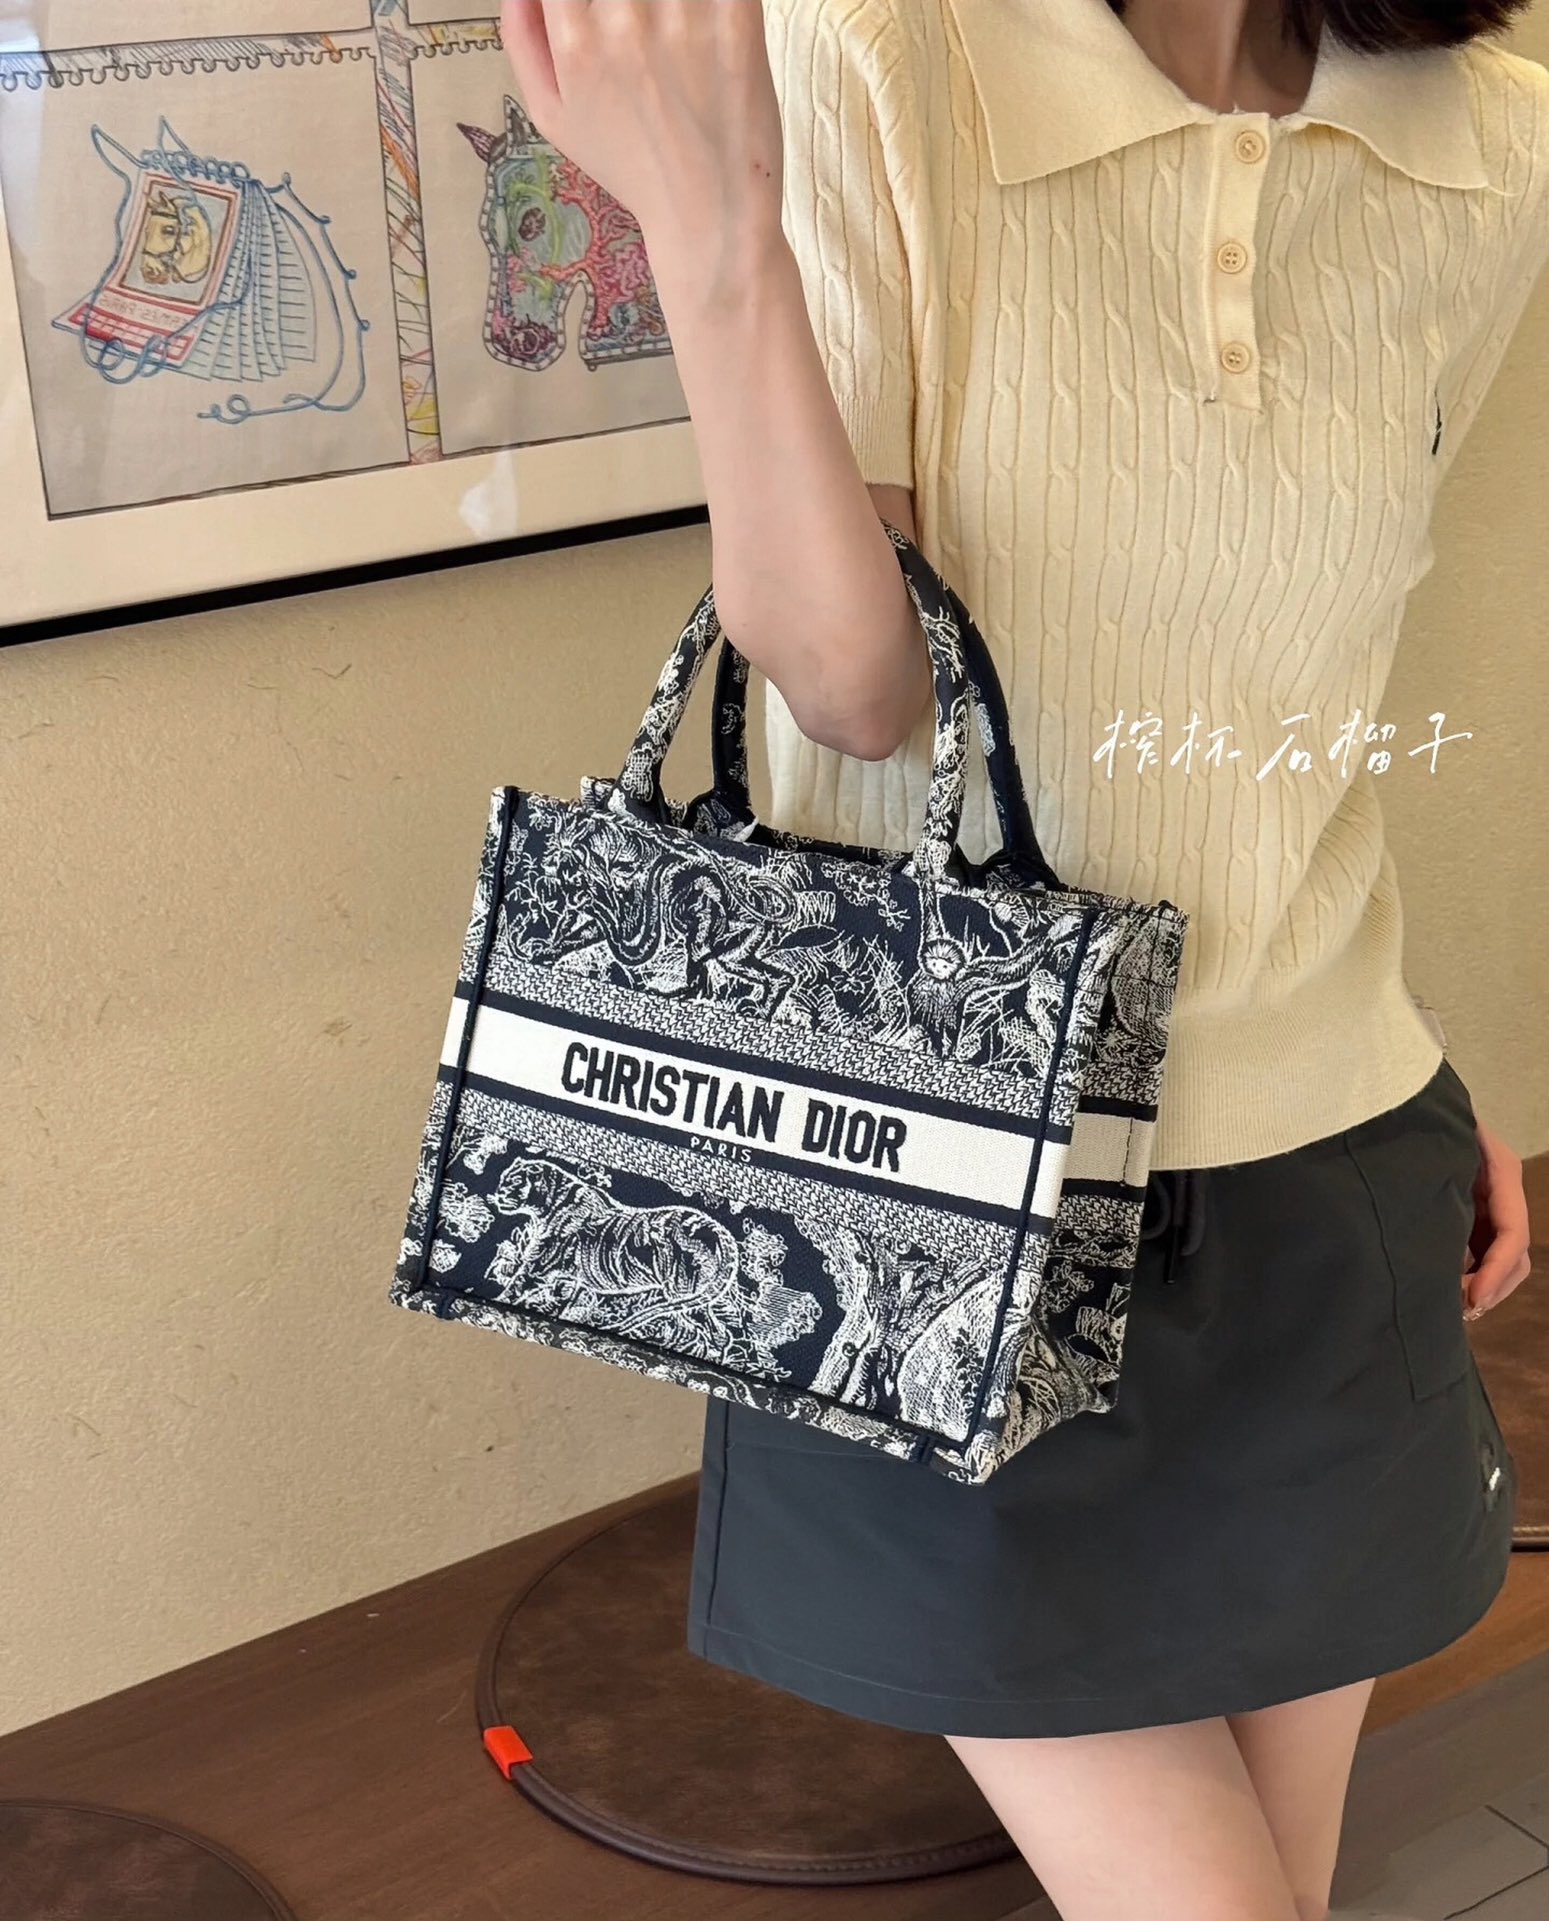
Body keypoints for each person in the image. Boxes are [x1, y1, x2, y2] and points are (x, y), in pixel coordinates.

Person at [498, 3, 1541, 1916]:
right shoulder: (873, 52)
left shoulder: (1486, 135)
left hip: (1324, 1174)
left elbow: (1290, 693)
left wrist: (1390, 1045)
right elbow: (851, 683)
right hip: (942, 1191)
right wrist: (713, 241)